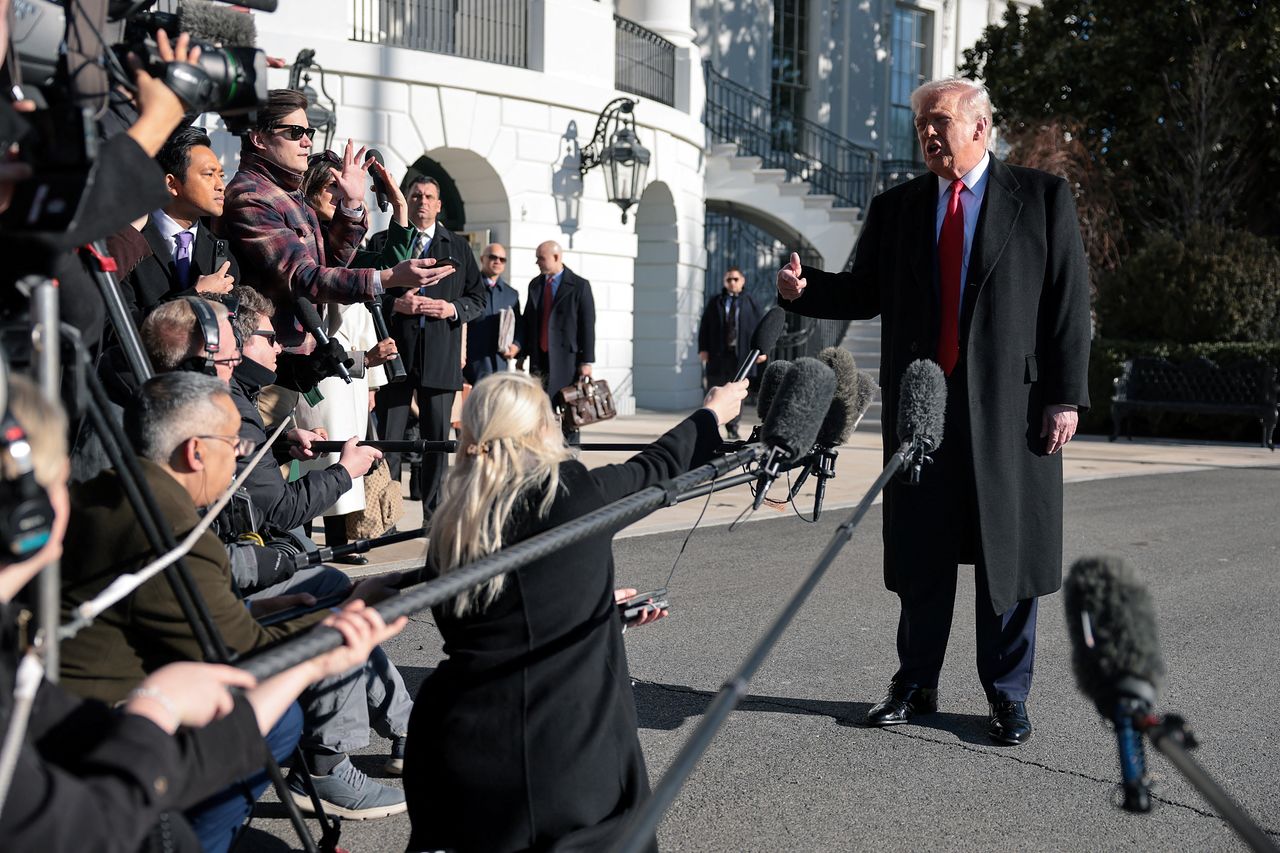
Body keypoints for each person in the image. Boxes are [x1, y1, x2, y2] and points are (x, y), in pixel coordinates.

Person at [775, 77, 1091, 745]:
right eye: (921, 121)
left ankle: (1007, 695)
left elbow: (1067, 303)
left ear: (980, 126)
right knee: (922, 554)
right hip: (924, 412)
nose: (926, 133)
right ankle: (914, 682)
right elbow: (865, 290)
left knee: (1007, 556)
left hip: (1013, 413)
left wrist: (1066, 395)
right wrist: (806, 291)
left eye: (939, 120)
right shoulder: (898, 207)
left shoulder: (1040, 198)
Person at [0, 373, 405, 851]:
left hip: (71, 712)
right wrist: (343, 622)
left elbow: (182, 613)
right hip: (99, 728)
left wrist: (259, 608)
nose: (240, 453)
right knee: (276, 718)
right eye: (234, 442)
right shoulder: (166, 526)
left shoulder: (123, 490)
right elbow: (245, 656)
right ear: (195, 452)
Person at [402, 371, 747, 852]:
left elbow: (502, 622)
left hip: (454, 745)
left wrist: (594, 612)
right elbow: (656, 467)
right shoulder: (569, 492)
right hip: (558, 759)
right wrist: (712, 413)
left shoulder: (453, 519)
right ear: (541, 427)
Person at [221, 89, 448, 346]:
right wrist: (388, 278)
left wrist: (352, 205)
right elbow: (303, 278)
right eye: (295, 133)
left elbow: (329, 264)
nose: (307, 141)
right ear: (259, 139)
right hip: (265, 352)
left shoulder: (288, 193)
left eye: (309, 133)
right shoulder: (251, 196)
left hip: (298, 357)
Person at [296, 156, 405, 556]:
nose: (340, 196)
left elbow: (391, 268)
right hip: (312, 372)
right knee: (312, 456)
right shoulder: (301, 239)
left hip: (352, 373)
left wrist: (400, 209)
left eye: (345, 189)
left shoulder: (347, 246)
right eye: (332, 188)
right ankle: (301, 540)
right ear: (309, 190)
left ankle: (339, 542)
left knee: (345, 453)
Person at [375, 175, 487, 513]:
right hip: (394, 356)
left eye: (429, 196)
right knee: (389, 443)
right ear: (407, 201)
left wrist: (450, 308)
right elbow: (363, 291)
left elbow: (478, 298)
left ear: (439, 205)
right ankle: (385, 515)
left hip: (440, 356)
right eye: (416, 195)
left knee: (438, 442)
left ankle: (434, 516)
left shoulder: (458, 247)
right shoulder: (385, 241)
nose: (422, 201)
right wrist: (394, 304)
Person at [118, 125, 240, 323]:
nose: (220, 186)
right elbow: (118, 328)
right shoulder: (127, 244)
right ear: (171, 184)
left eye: (221, 175)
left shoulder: (220, 254)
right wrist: (194, 296)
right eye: (209, 175)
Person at [519, 240, 596, 443]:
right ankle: (544, 456)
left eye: (541, 258)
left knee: (569, 413)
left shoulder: (579, 286)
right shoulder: (535, 285)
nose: (537, 262)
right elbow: (528, 321)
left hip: (566, 362)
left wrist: (586, 362)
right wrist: (522, 354)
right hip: (539, 359)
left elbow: (587, 326)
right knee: (541, 411)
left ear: (556, 257)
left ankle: (570, 458)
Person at [698, 265, 766, 438]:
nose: (732, 282)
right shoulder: (716, 302)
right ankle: (712, 424)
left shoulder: (752, 302)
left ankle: (733, 427)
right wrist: (703, 349)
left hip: (742, 356)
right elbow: (704, 327)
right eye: (729, 279)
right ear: (724, 281)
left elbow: (762, 328)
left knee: (737, 391)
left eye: (736, 279)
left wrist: (762, 350)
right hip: (718, 354)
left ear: (742, 281)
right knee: (716, 387)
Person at [463, 242, 522, 384]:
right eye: (493, 257)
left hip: (500, 364)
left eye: (502, 259)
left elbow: (520, 326)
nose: (497, 261)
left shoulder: (511, 294)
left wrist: (516, 346)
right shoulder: (467, 288)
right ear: (482, 259)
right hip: (472, 363)